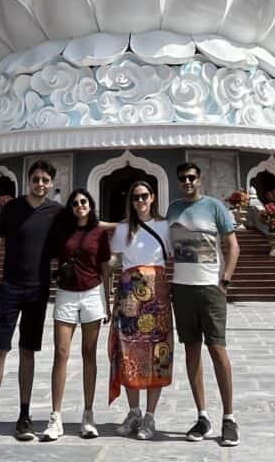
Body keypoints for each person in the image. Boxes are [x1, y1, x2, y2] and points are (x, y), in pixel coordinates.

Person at [0, 159, 62, 447]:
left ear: (51, 183)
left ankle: (24, 415)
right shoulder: (12, 209)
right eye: (36, 179)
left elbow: (85, 228)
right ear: (29, 180)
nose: (41, 184)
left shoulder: (56, 213)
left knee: (28, 351)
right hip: (10, 287)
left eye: (45, 180)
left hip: (38, 289)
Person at [167, 162, 240, 447]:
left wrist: (225, 281)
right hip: (182, 288)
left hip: (210, 287)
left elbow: (233, 245)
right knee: (191, 350)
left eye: (191, 177)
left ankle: (229, 417)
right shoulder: (173, 209)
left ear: (200, 179)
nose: (187, 182)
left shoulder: (215, 207)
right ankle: (202, 415)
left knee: (217, 348)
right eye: (182, 178)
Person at [39, 188, 112, 441]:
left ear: (91, 205)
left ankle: (88, 414)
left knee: (89, 354)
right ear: (70, 207)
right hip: (66, 294)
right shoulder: (62, 230)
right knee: (61, 354)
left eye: (84, 202)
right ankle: (55, 416)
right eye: (75, 203)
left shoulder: (99, 234)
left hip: (92, 293)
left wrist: (108, 301)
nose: (80, 205)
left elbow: (105, 267)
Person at [108, 180, 173, 441]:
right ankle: (133, 411)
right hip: (128, 294)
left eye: (144, 196)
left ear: (153, 198)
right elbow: (114, 260)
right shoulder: (124, 228)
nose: (141, 201)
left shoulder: (164, 226)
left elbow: (172, 256)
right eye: (136, 197)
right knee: (128, 352)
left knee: (157, 352)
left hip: (156, 293)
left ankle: (150, 415)